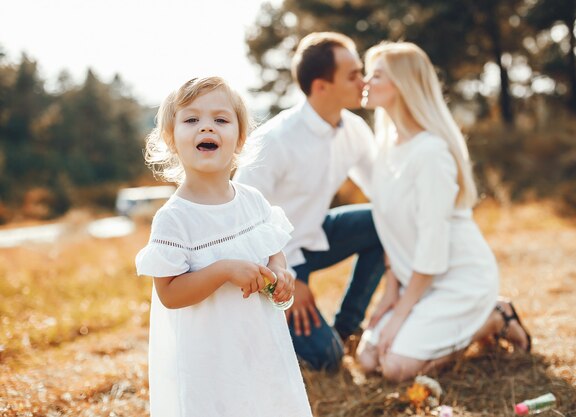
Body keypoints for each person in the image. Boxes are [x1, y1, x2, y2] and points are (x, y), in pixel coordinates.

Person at [135, 76, 313, 416]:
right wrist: (223, 270)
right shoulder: (175, 219)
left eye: (220, 119)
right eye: (191, 120)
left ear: (240, 138)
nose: (206, 128)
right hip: (210, 358)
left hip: (259, 343)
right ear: (171, 139)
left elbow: (272, 247)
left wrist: (279, 271)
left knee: (267, 401)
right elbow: (170, 295)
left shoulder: (253, 201)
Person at [356, 42, 532, 382]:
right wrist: (389, 296)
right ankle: (468, 322)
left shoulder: (431, 153)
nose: (365, 81)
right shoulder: (384, 147)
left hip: (457, 280)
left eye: (376, 75)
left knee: (394, 367)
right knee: (367, 358)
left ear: (403, 85)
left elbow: (431, 245)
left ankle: (494, 316)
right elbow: (392, 231)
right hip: (417, 283)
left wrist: (400, 314)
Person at [234, 32, 385, 371]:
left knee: (384, 220)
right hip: (275, 255)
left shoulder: (355, 130)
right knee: (326, 360)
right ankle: (276, 335)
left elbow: (385, 192)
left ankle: (347, 327)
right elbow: (239, 219)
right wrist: (285, 278)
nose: (363, 80)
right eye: (352, 74)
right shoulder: (274, 140)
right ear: (321, 86)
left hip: (316, 233)